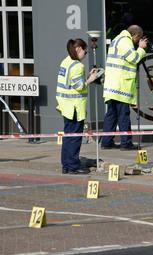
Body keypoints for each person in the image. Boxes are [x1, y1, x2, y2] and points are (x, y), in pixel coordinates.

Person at [102, 25, 148, 151]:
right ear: (137, 36)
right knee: (123, 115)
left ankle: (106, 142)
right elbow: (133, 58)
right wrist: (141, 49)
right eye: (138, 38)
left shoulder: (117, 39)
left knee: (111, 114)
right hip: (120, 86)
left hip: (113, 85)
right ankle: (126, 143)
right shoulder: (125, 41)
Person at [56, 39, 98, 174]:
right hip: (75, 108)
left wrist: (87, 76)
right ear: (79, 49)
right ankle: (74, 166)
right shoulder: (77, 66)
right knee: (74, 138)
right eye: (85, 52)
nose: (85, 55)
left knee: (68, 137)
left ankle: (66, 165)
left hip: (66, 106)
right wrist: (90, 80)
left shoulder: (66, 61)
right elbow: (79, 86)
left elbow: (73, 82)